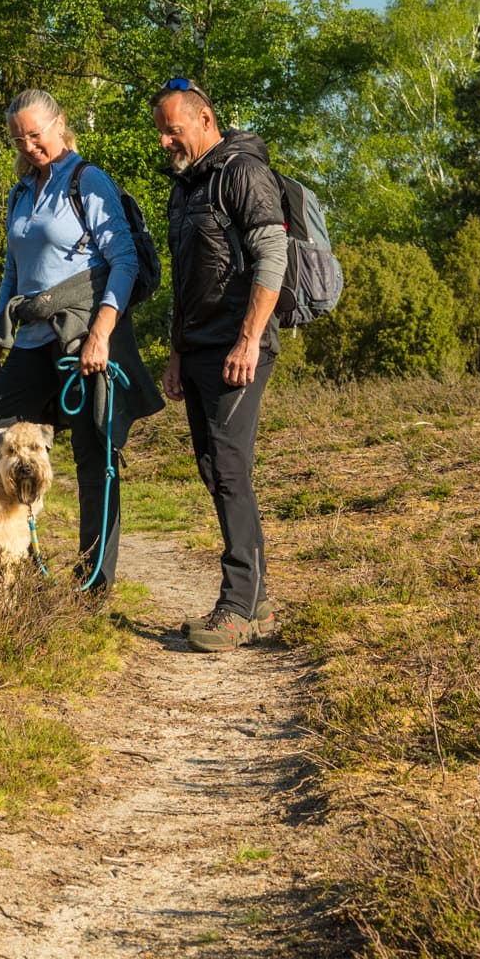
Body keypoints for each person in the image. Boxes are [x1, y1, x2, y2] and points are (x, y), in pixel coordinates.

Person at [0, 88, 163, 591]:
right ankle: (8, 561)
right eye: (19, 139)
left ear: (60, 124)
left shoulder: (88, 180)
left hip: (83, 334)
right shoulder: (20, 192)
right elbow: (11, 278)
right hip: (30, 338)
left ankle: (93, 582)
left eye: (36, 134)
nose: (30, 145)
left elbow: (123, 261)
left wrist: (101, 333)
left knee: (94, 454)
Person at [152, 78, 284, 652]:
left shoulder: (243, 171)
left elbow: (271, 255)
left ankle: (237, 607)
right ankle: (257, 601)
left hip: (239, 347)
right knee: (214, 469)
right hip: (200, 348)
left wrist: (249, 339)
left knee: (229, 470)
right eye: (160, 131)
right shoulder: (184, 187)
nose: (163, 141)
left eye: (171, 129)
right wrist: (177, 352)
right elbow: (186, 280)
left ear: (204, 119)